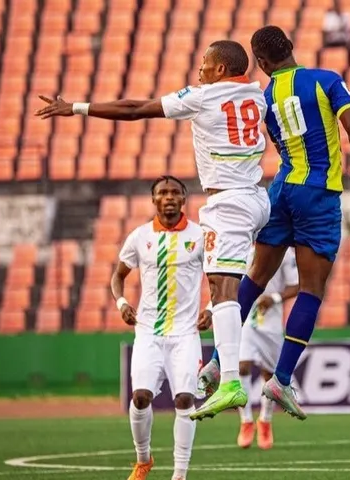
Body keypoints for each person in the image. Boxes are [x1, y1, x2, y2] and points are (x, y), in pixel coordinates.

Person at [36, 40, 270, 421]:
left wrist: (76, 107)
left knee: (222, 289)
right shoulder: (257, 95)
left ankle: (229, 379)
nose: (199, 70)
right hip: (258, 197)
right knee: (240, 281)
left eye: (205, 63)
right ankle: (220, 370)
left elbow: (135, 109)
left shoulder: (203, 96)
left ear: (220, 70)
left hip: (229, 203)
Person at [197, 25, 350, 421]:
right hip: (318, 193)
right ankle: (282, 379)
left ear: (262, 63)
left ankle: (218, 361)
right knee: (311, 289)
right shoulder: (327, 81)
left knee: (255, 277)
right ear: (289, 47)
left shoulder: (263, 95)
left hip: (280, 190)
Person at [110, 176, 210, 480]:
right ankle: (143, 460)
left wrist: (211, 309)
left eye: (174, 192)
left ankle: (179, 477)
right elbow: (118, 276)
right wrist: (122, 302)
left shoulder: (200, 236)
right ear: (154, 200)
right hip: (148, 332)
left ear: (184, 199)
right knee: (140, 397)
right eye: (162, 193)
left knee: (185, 399)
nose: (168, 197)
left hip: (185, 334)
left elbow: (220, 278)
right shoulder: (140, 237)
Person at [235, 247, 299, 449]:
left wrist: (275, 298)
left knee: (268, 374)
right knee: (242, 366)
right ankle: (246, 421)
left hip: (271, 322)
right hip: (247, 316)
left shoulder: (285, 253)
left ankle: (265, 420)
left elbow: (296, 286)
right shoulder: (242, 247)